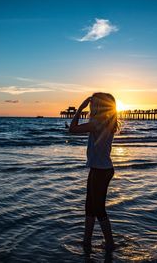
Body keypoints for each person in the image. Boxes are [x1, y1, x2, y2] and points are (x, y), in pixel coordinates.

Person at [69, 92, 119, 253]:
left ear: (100, 106)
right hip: (100, 169)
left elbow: (72, 129)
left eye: (93, 103)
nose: (91, 105)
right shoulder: (106, 121)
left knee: (97, 208)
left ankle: (110, 243)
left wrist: (79, 109)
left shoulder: (97, 122)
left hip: (101, 170)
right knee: (90, 207)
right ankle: (87, 242)